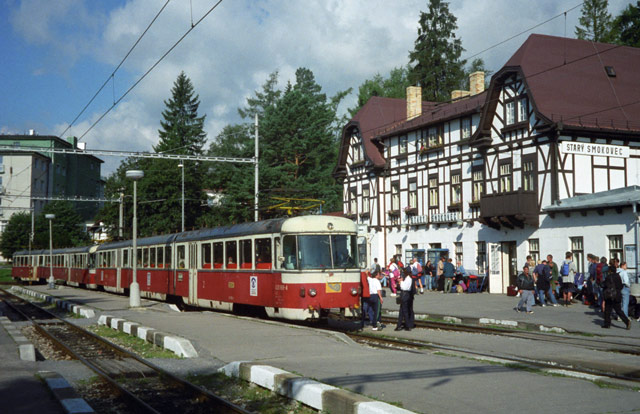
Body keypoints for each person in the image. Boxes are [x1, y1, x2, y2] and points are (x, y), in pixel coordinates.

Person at [602, 263, 631, 329]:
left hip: (610, 296)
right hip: (617, 295)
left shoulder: (608, 277)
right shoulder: (618, 276)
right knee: (618, 310)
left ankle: (607, 324)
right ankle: (627, 321)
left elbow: (605, 285)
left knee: (607, 310)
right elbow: (620, 286)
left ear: (610, 271)